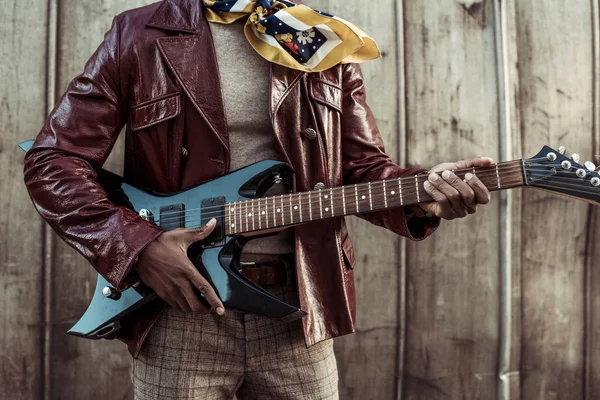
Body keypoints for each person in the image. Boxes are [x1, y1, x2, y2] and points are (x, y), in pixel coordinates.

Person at [23, 0, 492, 398]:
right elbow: (54, 160)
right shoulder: (141, 33)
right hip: (182, 311)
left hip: (300, 311)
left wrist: (424, 192)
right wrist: (138, 246)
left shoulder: (324, 41)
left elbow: (364, 170)